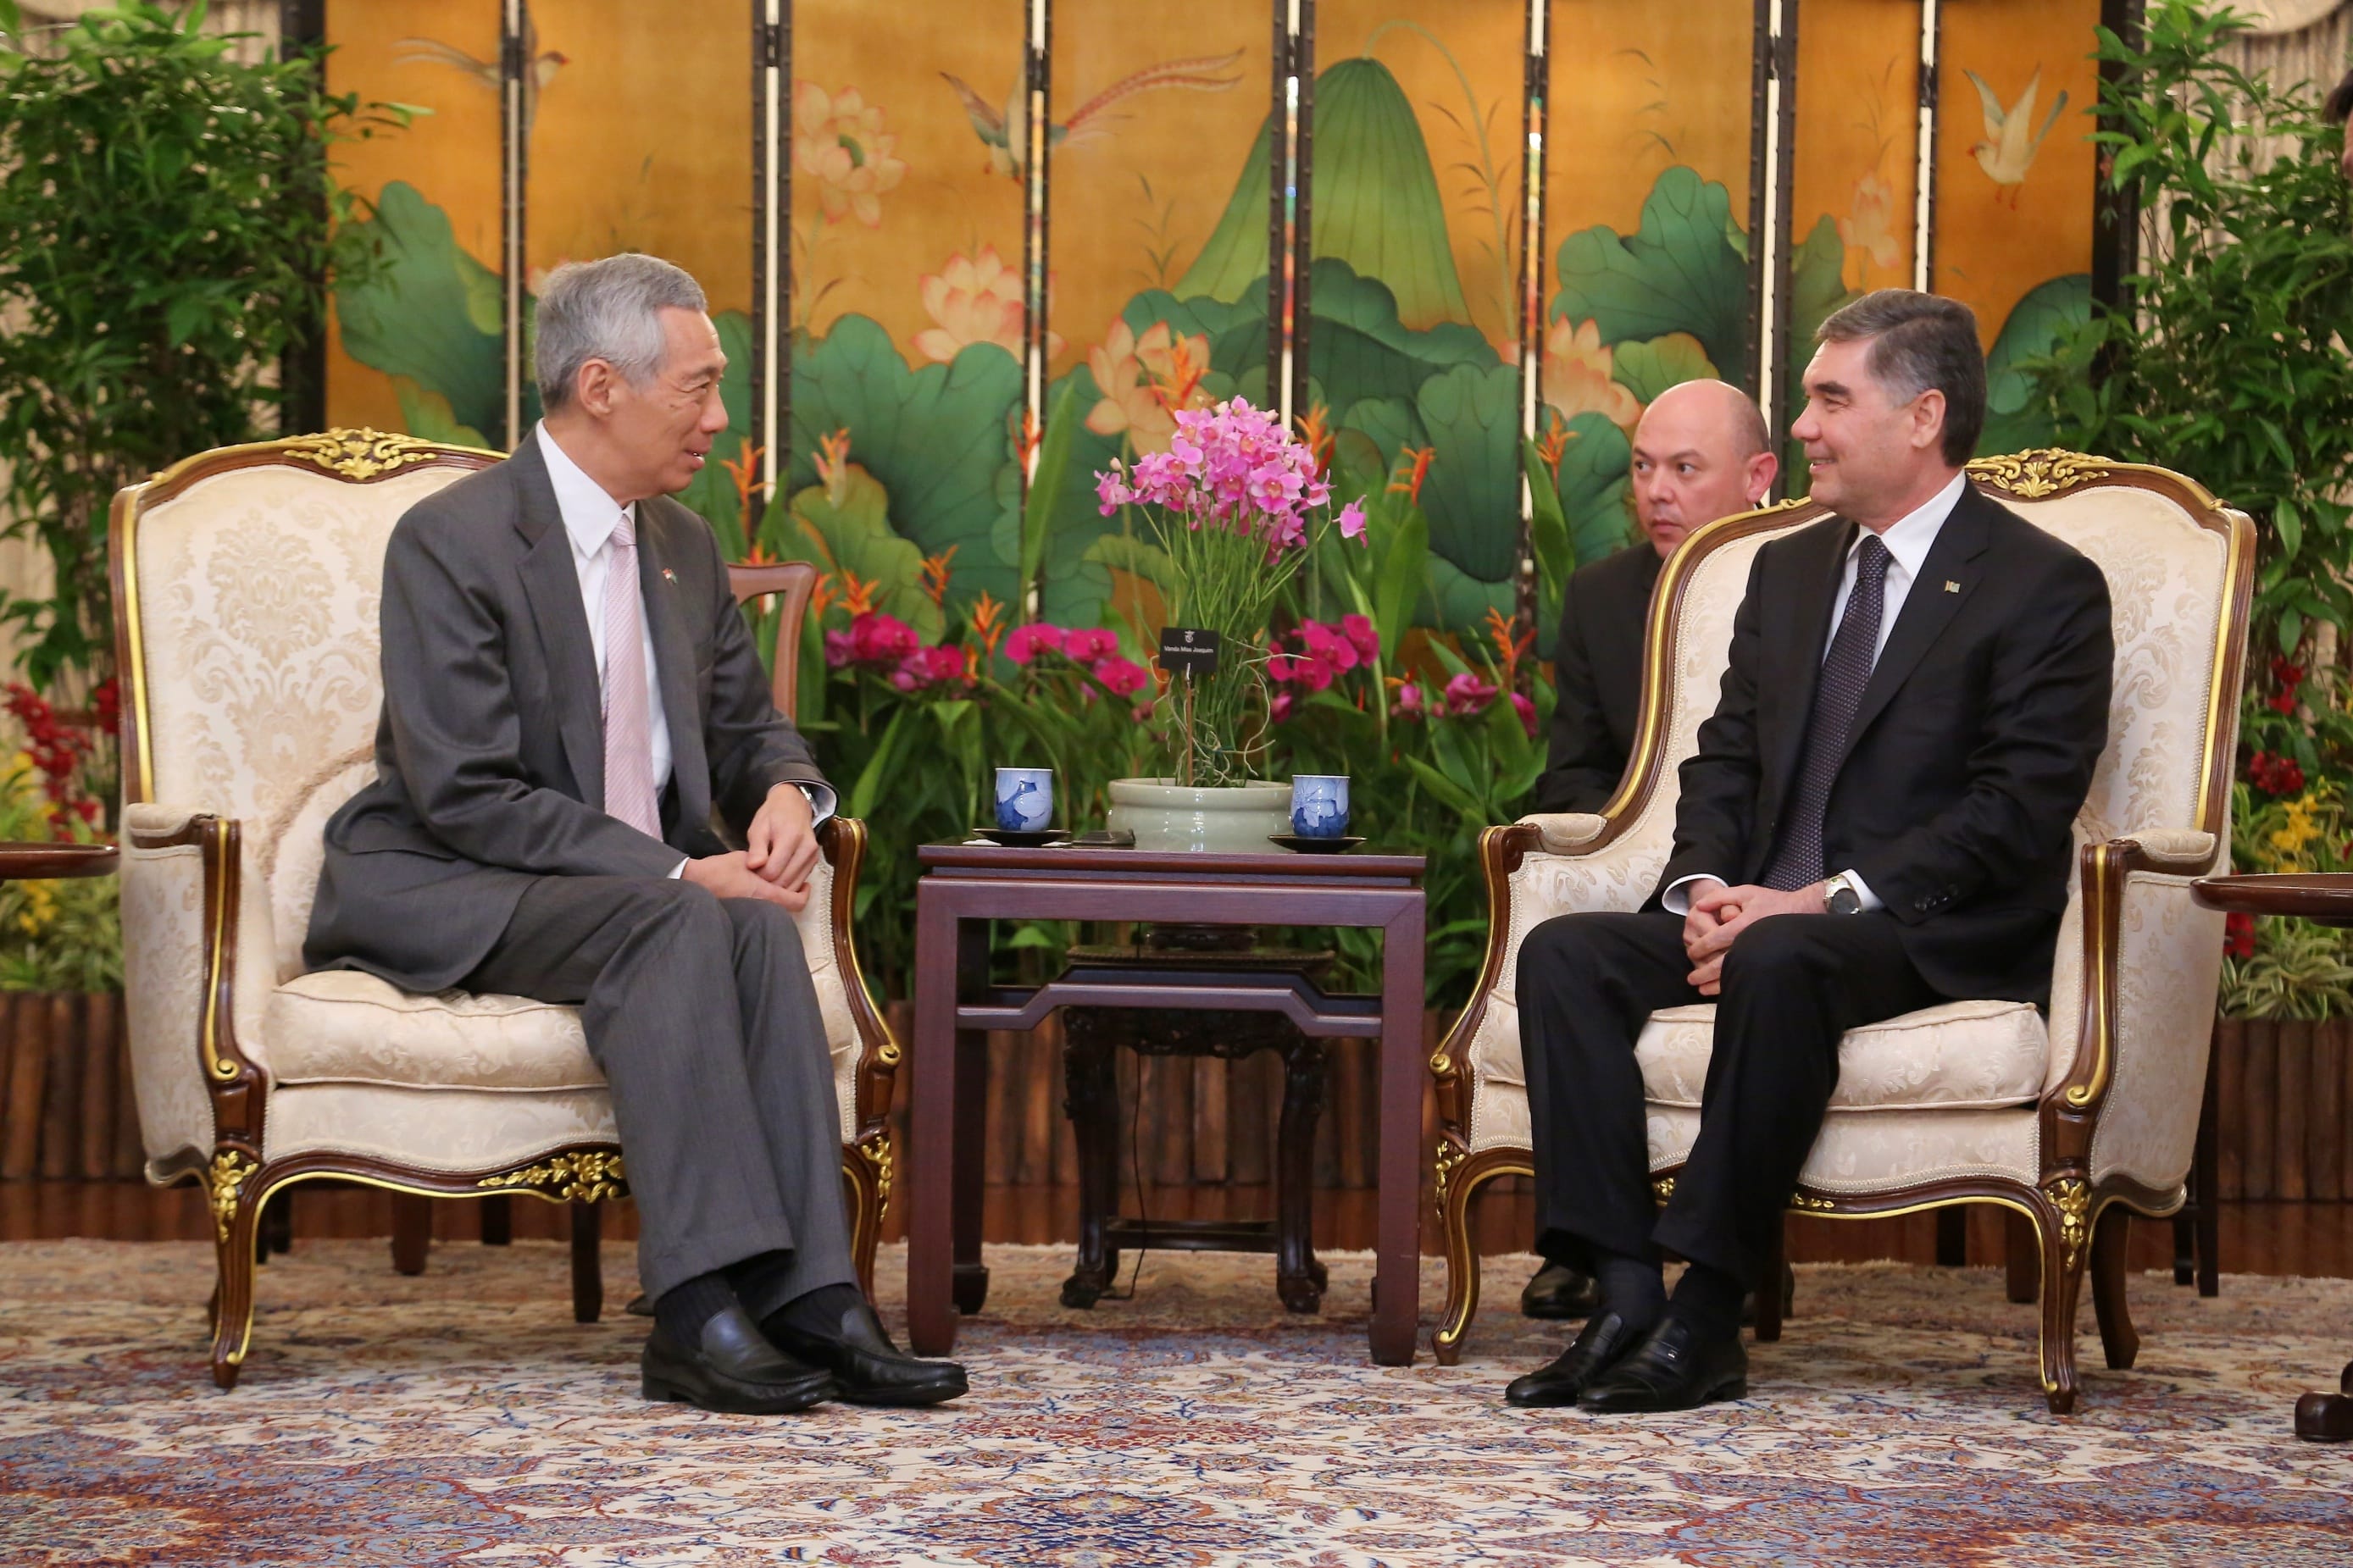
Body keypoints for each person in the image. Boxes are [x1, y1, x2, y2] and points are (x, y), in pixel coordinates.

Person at [305, 253, 968, 1416]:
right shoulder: (450, 540)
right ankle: (695, 1307)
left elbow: (752, 726)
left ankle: (812, 1293)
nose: (719, 419)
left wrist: (784, 794)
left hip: (611, 893)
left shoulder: (681, 544)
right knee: (685, 912)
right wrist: (675, 864)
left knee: (757, 930)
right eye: (699, 388)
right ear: (601, 385)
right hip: (456, 877)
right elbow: (463, 790)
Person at [1504, 290, 2112, 1413]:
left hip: (1918, 927)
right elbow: (1723, 760)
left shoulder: (2044, 586)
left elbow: (2015, 808)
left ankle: (1708, 1312)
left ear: (1922, 415)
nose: (1810, 429)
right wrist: (1700, 891)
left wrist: (1816, 901)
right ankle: (1628, 1288)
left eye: (1833, 398)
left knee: (1786, 960)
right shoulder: (1783, 572)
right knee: (1564, 955)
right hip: (1762, 907)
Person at [1522, 380, 1778, 1324]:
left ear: (1757, 476)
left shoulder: (1810, 578)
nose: (1656, 492)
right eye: (1641, 468)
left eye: (1682, 469)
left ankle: (1709, 1271)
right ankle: (1592, 1254)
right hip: (1656, 879)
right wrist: (1645, 856)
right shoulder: (1600, 595)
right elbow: (1570, 777)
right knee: (1563, 953)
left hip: (1790, 891)